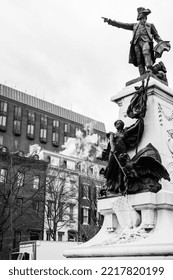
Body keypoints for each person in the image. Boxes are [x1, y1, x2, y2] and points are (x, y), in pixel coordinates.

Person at [102, 7, 164, 76]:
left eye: (144, 17)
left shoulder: (150, 25)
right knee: (139, 59)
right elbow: (122, 25)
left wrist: (161, 42)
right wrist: (110, 21)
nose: (143, 19)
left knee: (146, 52)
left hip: (146, 41)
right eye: (142, 17)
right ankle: (142, 74)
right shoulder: (134, 25)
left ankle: (149, 69)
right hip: (136, 43)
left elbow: (156, 35)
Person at [100, 118, 144, 193]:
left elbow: (133, 129)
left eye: (119, 123)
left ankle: (121, 185)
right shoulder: (112, 134)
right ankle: (109, 184)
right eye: (117, 123)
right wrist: (112, 149)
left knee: (121, 169)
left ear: (122, 125)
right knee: (111, 167)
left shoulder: (124, 132)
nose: (118, 124)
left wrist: (139, 121)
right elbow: (111, 142)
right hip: (114, 151)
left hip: (122, 151)